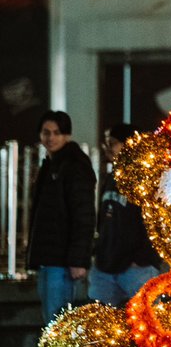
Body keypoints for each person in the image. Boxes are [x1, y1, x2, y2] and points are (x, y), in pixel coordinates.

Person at [26, 109, 96, 324]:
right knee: (52, 320)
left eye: (57, 132)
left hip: (63, 261)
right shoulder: (51, 165)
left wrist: (78, 260)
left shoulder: (74, 166)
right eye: (46, 132)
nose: (51, 137)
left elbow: (83, 215)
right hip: (50, 258)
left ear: (67, 135)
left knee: (57, 323)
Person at [88, 123, 162, 307]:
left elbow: (156, 221)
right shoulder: (112, 177)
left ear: (128, 144)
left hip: (136, 267)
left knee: (148, 323)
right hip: (107, 264)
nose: (107, 148)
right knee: (103, 324)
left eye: (112, 143)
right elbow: (105, 218)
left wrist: (144, 257)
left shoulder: (144, 177)